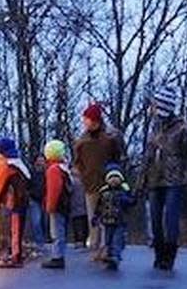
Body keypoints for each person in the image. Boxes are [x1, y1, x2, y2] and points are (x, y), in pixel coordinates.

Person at [142, 85, 187, 272]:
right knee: (155, 220)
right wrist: (140, 183)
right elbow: (148, 157)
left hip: (174, 180)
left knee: (170, 219)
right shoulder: (154, 128)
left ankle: (170, 256)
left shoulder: (182, 128)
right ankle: (158, 254)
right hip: (154, 179)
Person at [73, 102, 124, 257]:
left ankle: (108, 248)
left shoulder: (110, 138)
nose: (84, 122)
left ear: (94, 120)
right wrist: (83, 175)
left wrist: (116, 176)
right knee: (93, 218)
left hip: (108, 184)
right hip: (90, 184)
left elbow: (118, 156)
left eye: (86, 119)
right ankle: (95, 247)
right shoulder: (82, 141)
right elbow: (77, 161)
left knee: (108, 218)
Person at [0, 137, 30, 268]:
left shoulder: (5, 164)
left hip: (13, 202)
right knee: (18, 229)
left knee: (13, 229)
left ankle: (15, 257)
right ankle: (15, 254)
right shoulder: (19, 163)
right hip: (22, 200)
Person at [94, 163, 135, 270]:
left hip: (119, 221)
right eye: (111, 177)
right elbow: (99, 206)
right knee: (108, 240)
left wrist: (127, 199)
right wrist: (96, 217)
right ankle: (109, 256)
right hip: (107, 221)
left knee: (117, 240)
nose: (114, 180)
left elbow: (131, 202)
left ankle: (116, 257)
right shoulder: (103, 191)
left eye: (116, 177)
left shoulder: (124, 191)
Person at [41, 139, 73, 270]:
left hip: (57, 206)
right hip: (65, 205)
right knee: (61, 231)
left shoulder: (53, 169)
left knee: (56, 232)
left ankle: (57, 257)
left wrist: (50, 206)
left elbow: (54, 189)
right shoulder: (64, 168)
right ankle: (59, 255)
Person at [27, 154, 47, 250]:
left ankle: (45, 240)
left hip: (44, 199)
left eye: (42, 160)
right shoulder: (31, 173)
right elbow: (27, 185)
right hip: (34, 199)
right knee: (36, 221)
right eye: (39, 160)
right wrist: (30, 194)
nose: (41, 163)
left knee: (44, 221)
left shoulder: (47, 173)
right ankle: (39, 242)